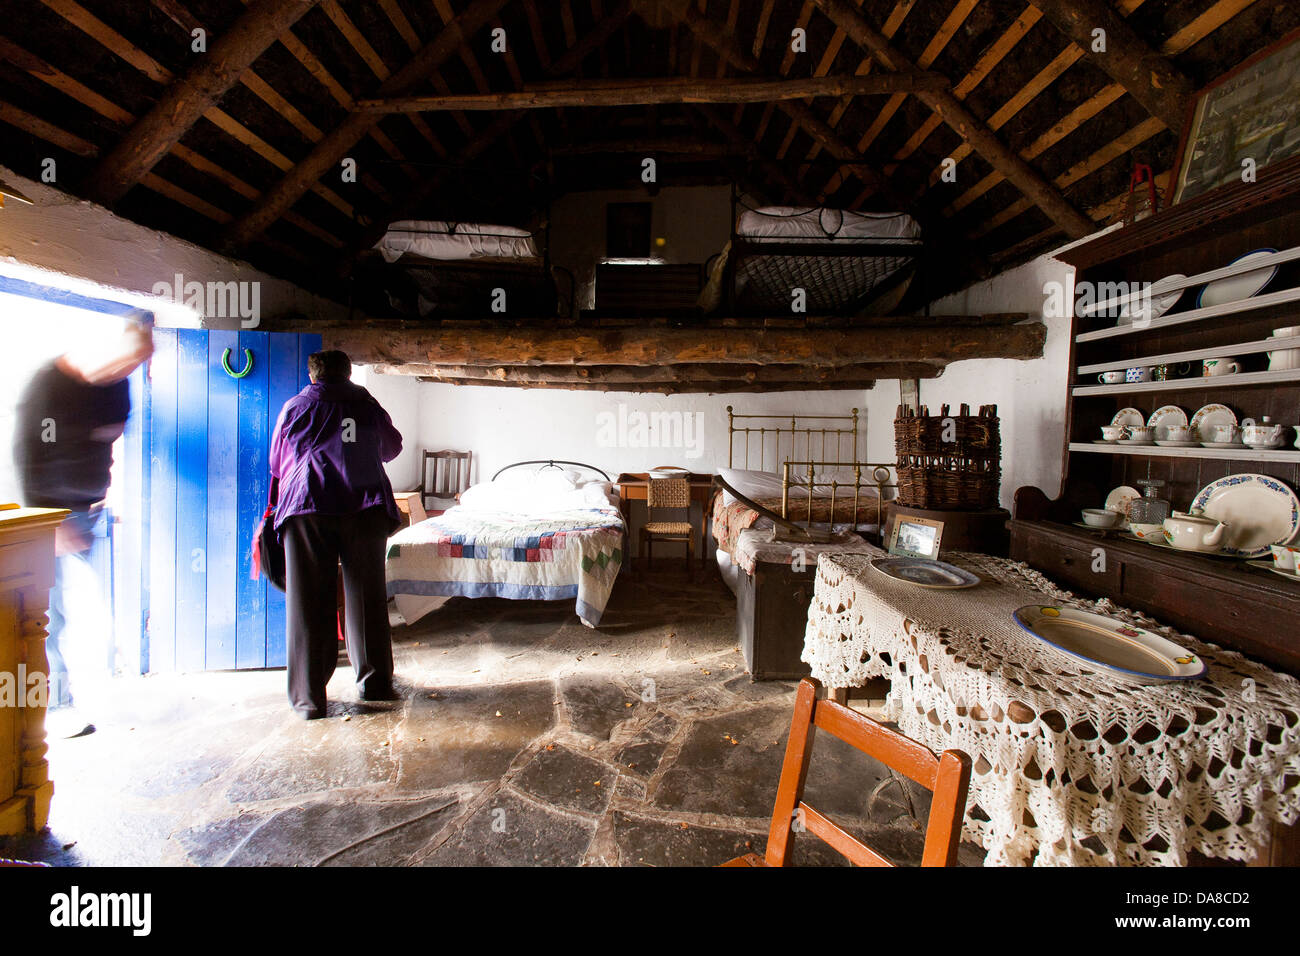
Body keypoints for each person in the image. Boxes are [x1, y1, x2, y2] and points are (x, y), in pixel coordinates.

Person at [12, 313, 155, 736]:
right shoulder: (49, 387)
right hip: (49, 517)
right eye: (124, 362)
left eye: (134, 365)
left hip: (89, 509)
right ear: (102, 348)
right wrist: (46, 519)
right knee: (44, 618)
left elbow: (110, 436)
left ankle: (70, 695)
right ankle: (51, 711)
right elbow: (27, 455)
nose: (126, 372)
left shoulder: (116, 387)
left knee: (84, 614)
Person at [269, 350, 403, 719]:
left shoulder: (295, 407)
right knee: (366, 597)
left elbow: (277, 463)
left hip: (307, 506)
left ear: (313, 376)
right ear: (348, 373)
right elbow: (392, 448)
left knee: (308, 602)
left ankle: (309, 700)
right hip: (364, 506)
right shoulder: (366, 403)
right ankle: (374, 683)